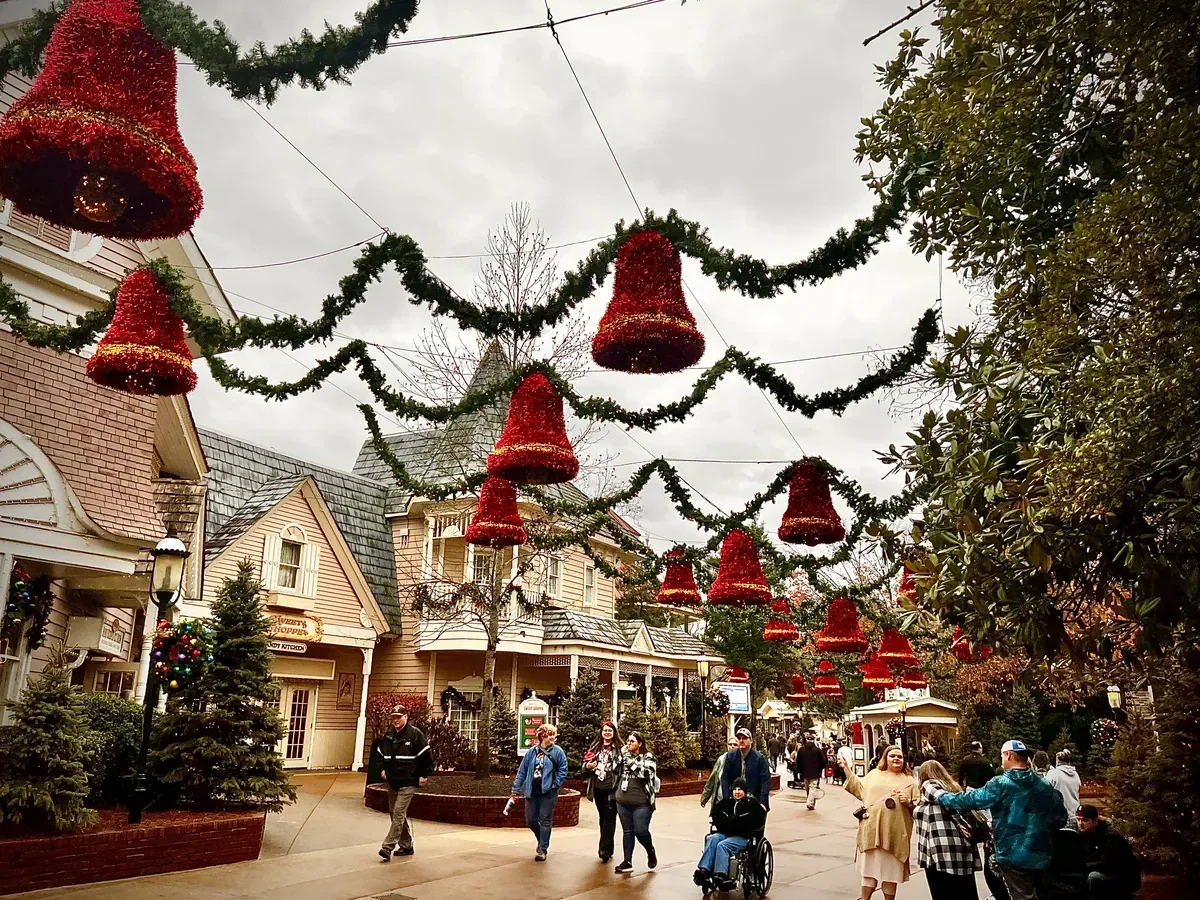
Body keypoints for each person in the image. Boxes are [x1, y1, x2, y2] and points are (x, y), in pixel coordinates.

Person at [934, 739, 1068, 900]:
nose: (1002, 760)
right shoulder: (1044, 785)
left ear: (1009, 755)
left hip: (1014, 854)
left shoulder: (1001, 784)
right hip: (1043, 854)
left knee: (1022, 896)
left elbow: (969, 800)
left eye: (1002, 756)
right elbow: (1061, 817)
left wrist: (941, 796)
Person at [838, 744, 918, 900]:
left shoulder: (910, 781)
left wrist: (908, 802)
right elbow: (858, 788)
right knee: (869, 870)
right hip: (872, 829)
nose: (896, 758)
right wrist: (846, 769)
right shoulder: (874, 774)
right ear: (885, 759)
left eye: (899, 756)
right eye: (892, 756)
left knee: (890, 872)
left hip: (895, 833)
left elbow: (919, 807)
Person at [373, 704, 433, 861]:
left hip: (409, 781)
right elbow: (379, 756)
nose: (396, 720)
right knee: (395, 814)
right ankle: (406, 845)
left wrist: (424, 775)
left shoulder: (415, 735)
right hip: (393, 781)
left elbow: (426, 756)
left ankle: (387, 847)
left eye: (398, 717)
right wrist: (382, 770)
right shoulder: (388, 736)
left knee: (398, 812)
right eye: (393, 717)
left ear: (406, 717)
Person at [914, 760, 981, 900]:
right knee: (965, 891)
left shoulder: (929, 784)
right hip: (960, 848)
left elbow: (943, 799)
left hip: (941, 849)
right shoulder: (953, 787)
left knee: (943, 892)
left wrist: (959, 822)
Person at [693, 777, 768, 891]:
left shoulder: (752, 805)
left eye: (740, 790)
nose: (737, 792)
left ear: (745, 791)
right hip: (725, 833)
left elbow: (754, 821)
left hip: (742, 837)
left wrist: (733, 822)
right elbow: (716, 817)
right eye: (735, 789)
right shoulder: (725, 803)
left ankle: (721, 874)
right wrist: (730, 822)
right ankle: (705, 870)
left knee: (723, 845)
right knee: (712, 838)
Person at [510, 723, 568, 861]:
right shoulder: (532, 752)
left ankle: (542, 849)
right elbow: (522, 771)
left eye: (554, 735)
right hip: (532, 791)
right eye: (550, 735)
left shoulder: (558, 751)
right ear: (542, 736)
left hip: (548, 792)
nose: (553, 737)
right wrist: (515, 789)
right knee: (531, 820)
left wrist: (555, 783)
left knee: (545, 820)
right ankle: (541, 839)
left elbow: (563, 769)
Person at [614, 731, 659, 874]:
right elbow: (614, 769)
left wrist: (631, 764)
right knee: (627, 832)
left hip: (642, 803)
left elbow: (647, 774)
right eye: (627, 741)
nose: (629, 744)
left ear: (640, 743)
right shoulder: (623, 755)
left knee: (640, 830)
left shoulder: (648, 757)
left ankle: (650, 851)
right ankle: (627, 861)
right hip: (622, 801)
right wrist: (620, 757)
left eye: (632, 741)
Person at [1076, 805, 1140, 900]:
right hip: (1102, 871)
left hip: (1123, 878)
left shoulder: (1110, 835)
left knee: (1093, 877)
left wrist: (1082, 866)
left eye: (1085, 820)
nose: (1080, 824)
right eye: (1078, 819)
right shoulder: (1083, 832)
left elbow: (1107, 864)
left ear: (1095, 821)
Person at [584, 720, 622, 863]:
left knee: (609, 819)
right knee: (603, 818)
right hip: (598, 788)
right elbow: (585, 766)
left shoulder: (619, 748)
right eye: (605, 730)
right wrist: (588, 765)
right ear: (601, 732)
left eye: (610, 730)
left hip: (612, 789)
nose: (607, 733)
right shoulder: (595, 748)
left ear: (614, 733)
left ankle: (604, 850)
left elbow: (623, 768)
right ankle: (608, 848)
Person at [721, 726, 773, 810]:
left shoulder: (760, 758)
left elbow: (765, 781)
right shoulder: (731, 756)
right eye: (739, 738)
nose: (741, 740)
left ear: (751, 740)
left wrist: (763, 803)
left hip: (755, 800)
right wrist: (727, 800)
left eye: (744, 738)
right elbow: (725, 778)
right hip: (736, 799)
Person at [701, 739, 740, 812]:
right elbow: (712, 779)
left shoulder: (742, 760)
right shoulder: (721, 759)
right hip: (720, 801)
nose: (732, 746)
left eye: (735, 744)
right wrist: (705, 797)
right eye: (730, 744)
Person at [1046, 750, 1081, 823]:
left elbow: (1044, 790)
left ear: (1057, 761)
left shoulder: (1053, 774)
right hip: (1075, 815)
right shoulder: (1076, 775)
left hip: (1059, 816)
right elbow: (1078, 791)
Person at [797, 736, 826, 810]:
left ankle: (810, 802)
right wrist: (820, 769)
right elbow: (823, 761)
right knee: (813, 788)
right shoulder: (818, 750)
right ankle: (810, 802)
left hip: (805, 773)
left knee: (807, 787)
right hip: (815, 772)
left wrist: (799, 771)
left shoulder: (801, 750)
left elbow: (798, 761)